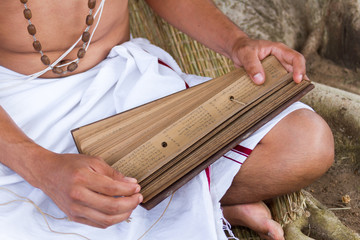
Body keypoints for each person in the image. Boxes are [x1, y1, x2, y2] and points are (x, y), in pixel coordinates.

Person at [0, 0, 334, 239]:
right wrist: (42, 170)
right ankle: (200, 202)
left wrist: (237, 42)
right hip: (20, 114)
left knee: (305, 143)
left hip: (128, 84)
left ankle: (192, 201)